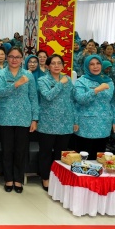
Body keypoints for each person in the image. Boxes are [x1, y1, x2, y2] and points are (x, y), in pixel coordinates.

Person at [0, 47, 39, 194]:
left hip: (24, 117)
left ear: (22, 59)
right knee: (7, 150)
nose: (14, 60)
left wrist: (35, 118)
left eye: (18, 57)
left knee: (20, 150)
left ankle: (18, 179)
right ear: (7, 58)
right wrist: (16, 84)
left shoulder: (29, 75)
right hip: (5, 117)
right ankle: (8, 178)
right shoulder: (0, 74)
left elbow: (33, 97)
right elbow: (0, 92)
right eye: (12, 57)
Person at [36, 54, 76, 191]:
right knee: (45, 153)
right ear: (47, 66)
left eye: (59, 63)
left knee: (61, 153)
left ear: (63, 66)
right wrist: (60, 84)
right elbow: (48, 96)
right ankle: (45, 178)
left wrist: (74, 120)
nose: (57, 66)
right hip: (47, 123)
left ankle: (58, 178)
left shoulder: (68, 80)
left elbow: (72, 101)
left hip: (65, 122)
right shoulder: (42, 80)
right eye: (53, 63)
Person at [74, 55, 115, 159]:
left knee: (99, 158)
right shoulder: (81, 81)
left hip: (104, 124)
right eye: (92, 64)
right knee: (84, 158)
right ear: (86, 66)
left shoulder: (109, 81)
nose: (95, 66)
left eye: (98, 63)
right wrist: (96, 90)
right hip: (86, 125)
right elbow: (80, 99)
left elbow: (112, 102)